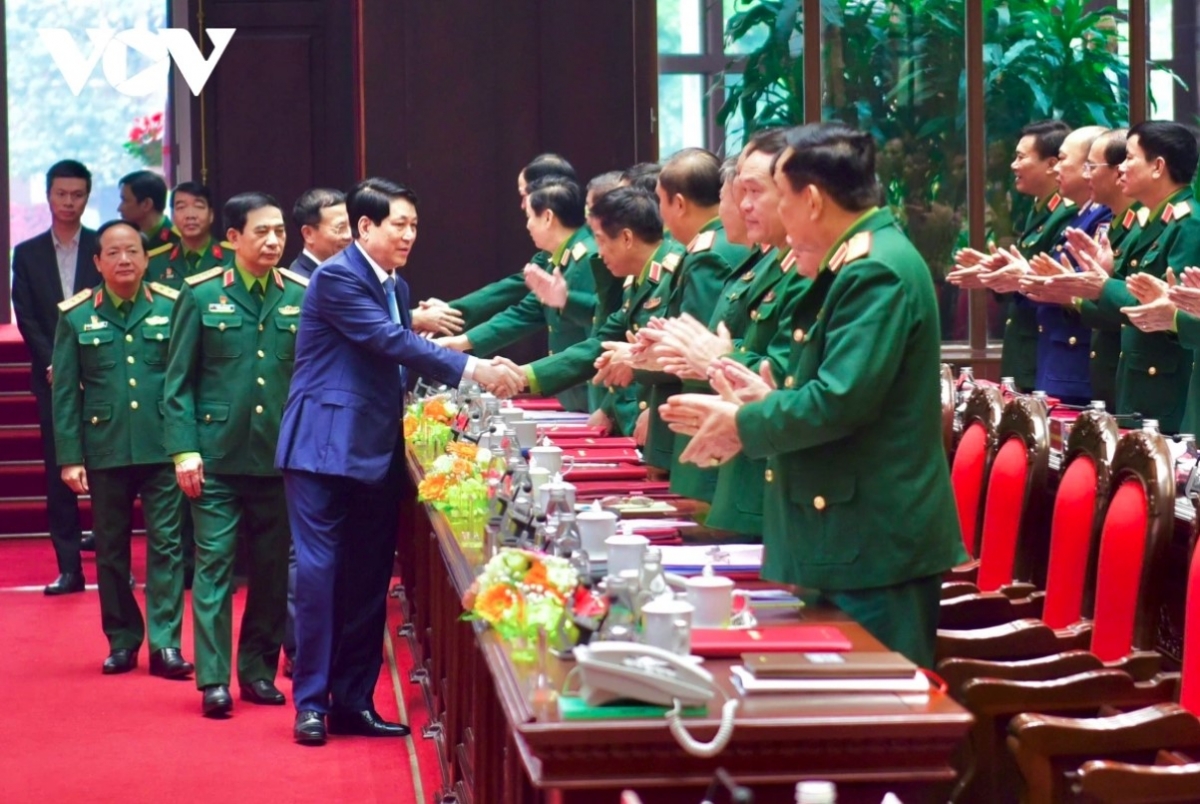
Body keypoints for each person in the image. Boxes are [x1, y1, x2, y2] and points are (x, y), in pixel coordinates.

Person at [661, 123, 964, 667]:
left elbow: (838, 399)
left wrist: (742, 424)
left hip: (872, 541)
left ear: (814, 200)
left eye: (779, 194)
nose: (773, 209)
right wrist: (756, 397)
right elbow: (813, 384)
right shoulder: (853, 261)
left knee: (880, 721)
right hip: (842, 533)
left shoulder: (874, 270)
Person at [275, 177, 523, 746]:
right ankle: (310, 703)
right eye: (398, 224)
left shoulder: (397, 284)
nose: (410, 234)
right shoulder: (338, 277)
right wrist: (474, 368)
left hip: (375, 449)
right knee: (319, 577)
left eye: (414, 224)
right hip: (320, 448)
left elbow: (396, 364)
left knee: (366, 581)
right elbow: (390, 342)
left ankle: (354, 702)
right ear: (365, 227)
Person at [163, 192, 307, 717]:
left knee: (271, 571)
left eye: (279, 233)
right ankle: (214, 679)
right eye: (261, 232)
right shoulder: (200, 296)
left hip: (278, 458)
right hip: (216, 459)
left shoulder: (299, 292)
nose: (272, 242)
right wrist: (184, 450)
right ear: (232, 239)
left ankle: (257, 672)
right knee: (215, 567)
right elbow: (176, 383)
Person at [51, 220, 191, 678]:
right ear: (97, 263)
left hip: (163, 445)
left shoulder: (172, 307)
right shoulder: (75, 315)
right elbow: (66, 392)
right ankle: (122, 639)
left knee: (168, 546)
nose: (124, 260)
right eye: (113, 253)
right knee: (110, 549)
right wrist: (70, 457)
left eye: (132, 251)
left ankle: (166, 643)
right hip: (105, 448)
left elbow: (188, 377)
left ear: (147, 258)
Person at [1041, 120, 1200, 432]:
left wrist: (1100, 286)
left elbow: (1171, 310)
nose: (1121, 168)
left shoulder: (1189, 224)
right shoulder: (1150, 221)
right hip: (1135, 378)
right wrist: (1100, 279)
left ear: (1158, 167)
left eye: (1129, 158)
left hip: (1164, 386)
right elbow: (1132, 293)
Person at [510, 186, 685, 437]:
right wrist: (524, 375)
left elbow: (688, 361)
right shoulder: (636, 279)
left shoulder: (677, 272)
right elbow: (602, 343)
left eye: (601, 240)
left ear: (626, 238)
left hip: (666, 424)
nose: (598, 252)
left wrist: (656, 413)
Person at [11, 159, 99, 595]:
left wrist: (86, 364)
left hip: (103, 375)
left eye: (77, 194)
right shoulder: (26, 253)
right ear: (48, 196)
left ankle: (115, 568)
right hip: (51, 379)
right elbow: (25, 314)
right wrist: (57, 364)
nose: (69, 202)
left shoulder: (106, 246)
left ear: (87, 196)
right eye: (61, 194)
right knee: (57, 475)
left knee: (107, 474)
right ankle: (70, 569)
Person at [634, 148, 753, 468]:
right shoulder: (707, 247)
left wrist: (637, 360)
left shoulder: (709, 252)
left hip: (707, 432)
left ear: (679, 203)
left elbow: (695, 348)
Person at [440, 177, 600, 413]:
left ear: (547, 217)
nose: (527, 226)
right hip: (576, 399)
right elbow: (527, 313)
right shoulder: (556, 259)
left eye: (530, 217)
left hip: (592, 398)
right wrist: (461, 343)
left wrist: (604, 407)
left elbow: (599, 337)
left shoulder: (588, 259)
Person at [948, 120, 1074, 391]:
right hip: (1026, 349)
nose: (1013, 166)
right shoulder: (1040, 209)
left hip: (1046, 351)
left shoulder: (1068, 214)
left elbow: (1054, 287)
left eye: (1020, 157)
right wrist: (995, 272)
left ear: (1052, 164)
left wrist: (1003, 276)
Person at [1003, 126, 1110, 404]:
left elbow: (1081, 286)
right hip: (1054, 357)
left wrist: (1028, 278)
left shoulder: (1101, 217)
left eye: (1063, 160)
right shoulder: (1081, 217)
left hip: (1077, 362)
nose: (1056, 168)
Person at [425, 154, 578, 332]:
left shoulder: (588, 250)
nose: (522, 205)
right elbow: (515, 296)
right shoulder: (552, 251)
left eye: (525, 195)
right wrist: (449, 312)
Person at [146, 182, 234, 289]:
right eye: (181, 207)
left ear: (211, 215)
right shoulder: (155, 263)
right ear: (173, 217)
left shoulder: (233, 259)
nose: (190, 215)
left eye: (199, 206)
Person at [288, 187, 351, 278]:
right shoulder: (302, 283)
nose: (349, 236)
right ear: (308, 234)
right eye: (340, 228)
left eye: (352, 225)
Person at [118, 170, 181, 252]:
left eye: (125, 200)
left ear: (146, 204)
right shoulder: (122, 238)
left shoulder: (179, 242)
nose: (119, 208)